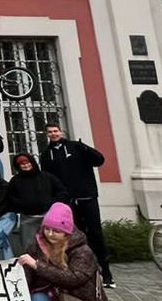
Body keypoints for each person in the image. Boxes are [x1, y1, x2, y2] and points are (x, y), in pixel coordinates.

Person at [40, 123, 113, 287]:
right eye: (50, 132)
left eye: (56, 131)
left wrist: (85, 147)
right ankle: (81, 270)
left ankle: (106, 272)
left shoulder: (76, 147)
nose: (53, 134)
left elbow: (99, 160)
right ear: (47, 135)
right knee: (74, 236)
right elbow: (49, 179)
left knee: (95, 233)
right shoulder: (46, 155)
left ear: (61, 132)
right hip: (67, 203)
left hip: (87, 197)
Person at [4, 152, 68, 219]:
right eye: (22, 164)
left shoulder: (47, 177)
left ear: (32, 162)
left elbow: (62, 192)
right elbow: (11, 197)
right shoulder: (14, 181)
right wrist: (23, 206)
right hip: (27, 218)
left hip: (49, 216)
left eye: (28, 163)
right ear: (18, 166)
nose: (26, 165)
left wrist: (51, 204)